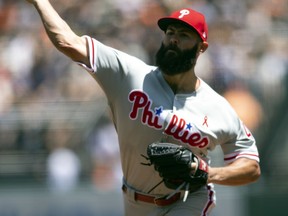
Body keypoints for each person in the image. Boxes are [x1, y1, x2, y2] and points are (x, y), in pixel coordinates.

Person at [25, 1, 261, 215]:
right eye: (170, 32)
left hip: (188, 198)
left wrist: (209, 174)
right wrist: (40, 2)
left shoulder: (217, 107)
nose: (174, 39)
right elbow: (68, 41)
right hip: (134, 200)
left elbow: (250, 166)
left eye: (184, 34)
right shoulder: (129, 74)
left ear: (202, 47)